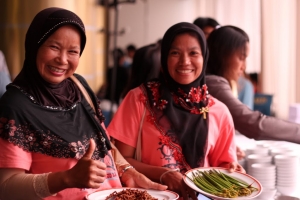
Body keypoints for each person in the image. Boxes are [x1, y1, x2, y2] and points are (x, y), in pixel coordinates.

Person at [0, 7, 167, 200]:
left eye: (73, 51)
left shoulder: (78, 86)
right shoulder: (15, 105)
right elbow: (6, 187)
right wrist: (66, 178)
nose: (62, 60)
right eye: (54, 47)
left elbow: (105, 145)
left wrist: (129, 172)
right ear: (34, 45)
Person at [107, 22, 244, 200]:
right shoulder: (139, 99)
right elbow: (120, 161)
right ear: (164, 57)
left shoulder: (218, 111)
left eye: (193, 53)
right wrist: (164, 174)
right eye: (175, 53)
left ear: (204, 57)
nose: (185, 61)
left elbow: (224, 166)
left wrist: (234, 169)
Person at [205, 25, 300, 144]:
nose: (244, 66)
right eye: (241, 58)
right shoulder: (213, 84)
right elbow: (252, 123)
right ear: (222, 55)